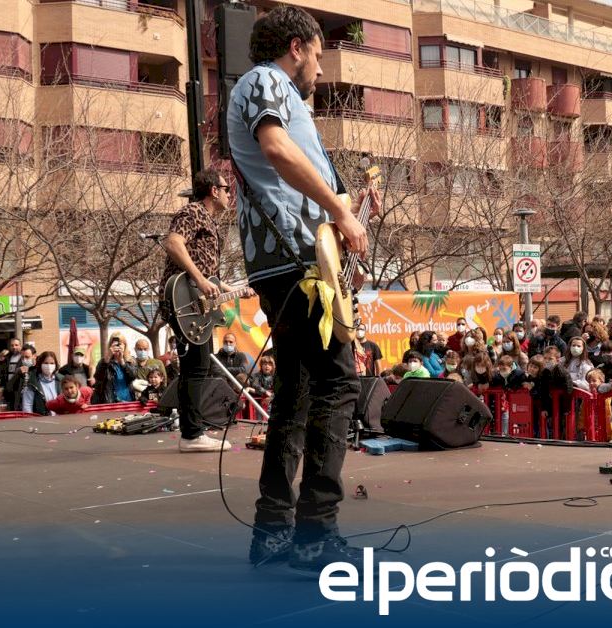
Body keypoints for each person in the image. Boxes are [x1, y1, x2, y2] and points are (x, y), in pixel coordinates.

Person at [230, 6, 374, 571]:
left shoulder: (275, 93)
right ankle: (316, 533)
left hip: (288, 259)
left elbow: (289, 173)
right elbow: (274, 147)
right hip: (296, 263)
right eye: (318, 54)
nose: (319, 68)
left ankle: (272, 533)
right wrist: (340, 208)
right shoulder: (265, 81)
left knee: (297, 389)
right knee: (338, 382)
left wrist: (344, 213)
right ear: (297, 46)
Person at [160, 168, 250, 453]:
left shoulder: (209, 220)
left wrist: (235, 289)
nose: (229, 194)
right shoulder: (194, 212)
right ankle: (192, 434)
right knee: (197, 366)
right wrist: (199, 280)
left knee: (196, 366)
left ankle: (192, 431)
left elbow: (211, 277)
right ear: (213, 190)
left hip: (197, 299)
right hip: (185, 298)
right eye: (226, 189)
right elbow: (173, 242)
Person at [92, 337, 137, 404]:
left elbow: (133, 376)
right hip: (111, 402)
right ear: (110, 347)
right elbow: (98, 377)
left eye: (119, 344)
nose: (117, 347)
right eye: (115, 345)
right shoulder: (103, 362)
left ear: (125, 346)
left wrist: (122, 362)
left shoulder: (130, 361)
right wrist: (107, 359)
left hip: (128, 401)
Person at [20, 351, 61, 416]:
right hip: (40, 420)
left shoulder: (60, 380)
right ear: (40, 364)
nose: (49, 366)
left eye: (52, 363)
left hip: (60, 419)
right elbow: (27, 406)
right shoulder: (32, 382)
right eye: (46, 363)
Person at [4, 345, 36, 411]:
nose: (24, 360)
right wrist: (17, 374)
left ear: (34, 356)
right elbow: (8, 389)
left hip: (34, 406)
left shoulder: (37, 371)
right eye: (22, 357)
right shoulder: (19, 370)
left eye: (27, 357)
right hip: (20, 406)